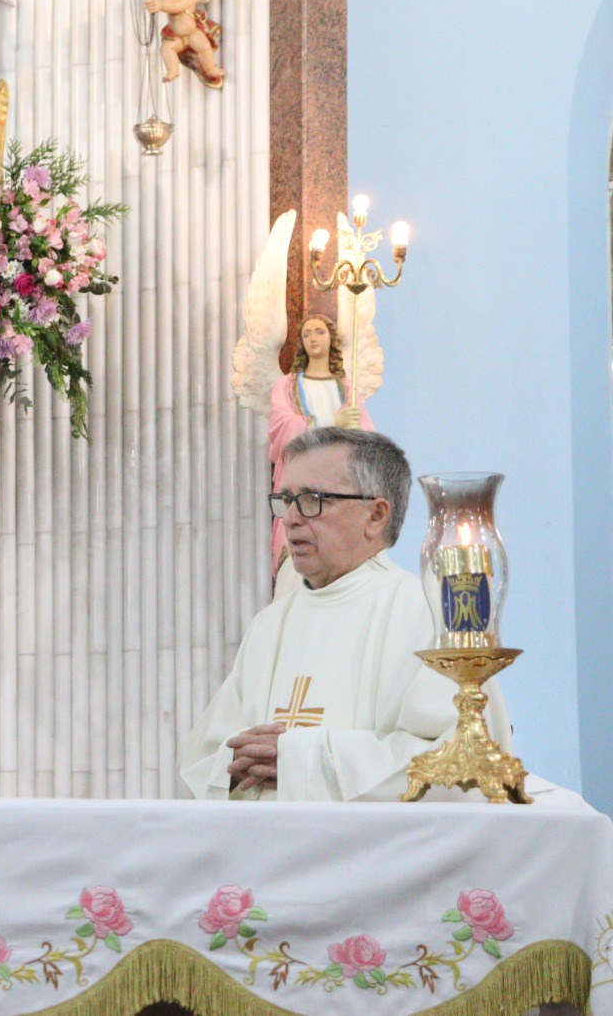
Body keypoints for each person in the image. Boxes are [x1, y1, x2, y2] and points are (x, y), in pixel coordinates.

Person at [180, 428, 511, 802]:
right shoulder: (269, 625)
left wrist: (302, 759)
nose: (289, 519)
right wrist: (237, 760)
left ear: (375, 515)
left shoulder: (428, 614)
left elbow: (466, 765)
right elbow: (202, 760)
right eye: (285, 500)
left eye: (311, 500)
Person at [268, 312, 373, 590]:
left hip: (337, 486)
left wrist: (356, 431)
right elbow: (280, 430)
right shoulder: (287, 386)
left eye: (320, 332)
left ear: (331, 339)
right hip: (301, 482)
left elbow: (369, 441)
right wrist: (330, 422)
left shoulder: (346, 388)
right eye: (307, 334)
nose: (313, 338)